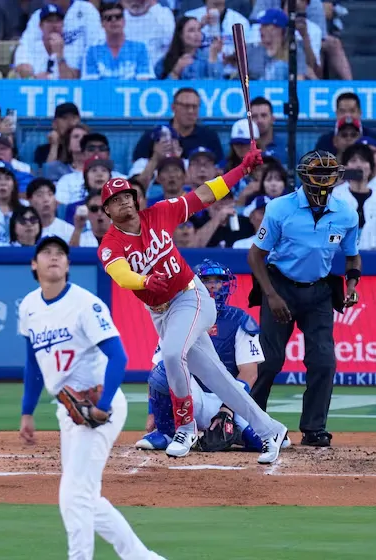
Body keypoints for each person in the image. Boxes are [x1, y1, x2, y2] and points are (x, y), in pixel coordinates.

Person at [97, 143, 288, 463]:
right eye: (116, 200)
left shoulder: (159, 213)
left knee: (172, 354)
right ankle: (271, 430)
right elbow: (121, 274)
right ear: (107, 211)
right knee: (220, 381)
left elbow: (204, 194)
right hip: (161, 312)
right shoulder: (110, 244)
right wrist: (144, 281)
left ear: (135, 198)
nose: (125, 202)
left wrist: (242, 170)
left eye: (127, 196)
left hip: (190, 296)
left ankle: (184, 427)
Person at [18, 235, 165, 560]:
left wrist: (102, 406)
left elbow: (119, 358)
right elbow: (33, 363)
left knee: (73, 494)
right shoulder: (29, 306)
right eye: (46, 253)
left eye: (60, 253)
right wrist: (27, 411)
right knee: (87, 497)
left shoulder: (86, 304)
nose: (54, 257)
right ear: (34, 264)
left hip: (101, 407)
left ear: (68, 264)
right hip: (69, 411)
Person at [247, 150, 361, 448]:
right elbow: (255, 255)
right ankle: (249, 425)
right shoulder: (279, 209)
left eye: (329, 174)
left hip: (319, 291)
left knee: (323, 360)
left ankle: (314, 429)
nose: (324, 179)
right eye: (318, 173)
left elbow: (352, 255)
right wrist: (271, 295)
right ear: (304, 176)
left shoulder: (347, 212)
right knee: (270, 361)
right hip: (279, 285)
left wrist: (351, 283)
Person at [137, 260, 273, 453]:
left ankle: (237, 431)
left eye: (218, 280)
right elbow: (158, 370)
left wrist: (227, 409)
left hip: (228, 400)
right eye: (206, 280)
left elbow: (249, 372)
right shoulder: (175, 317)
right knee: (163, 371)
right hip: (190, 398)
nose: (212, 285)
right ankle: (166, 432)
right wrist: (153, 413)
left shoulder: (239, 320)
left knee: (263, 442)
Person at [132, 89, 224, 164]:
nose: (191, 111)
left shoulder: (209, 136)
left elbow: (219, 168)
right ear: (173, 107)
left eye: (195, 107)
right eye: (186, 106)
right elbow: (136, 167)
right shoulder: (154, 135)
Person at [81, 2, 154, 80]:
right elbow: (91, 85)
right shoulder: (92, 51)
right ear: (102, 23)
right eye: (108, 18)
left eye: (118, 17)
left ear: (124, 21)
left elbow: (144, 82)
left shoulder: (140, 48)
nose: (114, 20)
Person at [313, 93, 376, 164]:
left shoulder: (374, 138)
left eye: (352, 111)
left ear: (360, 113)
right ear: (336, 114)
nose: (347, 115)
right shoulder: (324, 141)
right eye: (342, 111)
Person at [12, 4, 82, 78]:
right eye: (49, 21)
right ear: (40, 26)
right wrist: (34, 77)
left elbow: (71, 80)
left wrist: (60, 55)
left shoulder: (72, 47)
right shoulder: (29, 46)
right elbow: (22, 71)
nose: (54, 25)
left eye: (58, 20)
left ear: (63, 24)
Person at [154, 16, 223, 80]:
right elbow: (159, 89)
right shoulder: (165, 61)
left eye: (199, 30)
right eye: (191, 30)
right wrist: (176, 72)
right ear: (180, 35)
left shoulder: (208, 56)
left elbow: (218, 82)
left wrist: (213, 58)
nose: (197, 34)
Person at [34, 103, 82, 170]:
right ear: (54, 124)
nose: (70, 122)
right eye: (64, 118)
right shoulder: (43, 150)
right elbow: (47, 174)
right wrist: (54, 146)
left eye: (73, 117)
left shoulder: (85, 148)